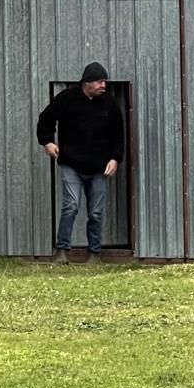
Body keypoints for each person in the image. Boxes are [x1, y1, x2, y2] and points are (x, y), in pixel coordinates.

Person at [36, 63, 123, 261]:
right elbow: (46, 119)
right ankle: (62, 252)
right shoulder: (67, 98)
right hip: (72, 164)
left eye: (104, 82)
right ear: (87, 83)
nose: (103, 85)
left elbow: (118, 134)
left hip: (99, 167)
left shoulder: (109, 103)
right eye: (99, 81)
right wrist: (47, 142)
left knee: (96, 212)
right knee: (71, 206)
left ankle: (94, 254)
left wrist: (115, 158)